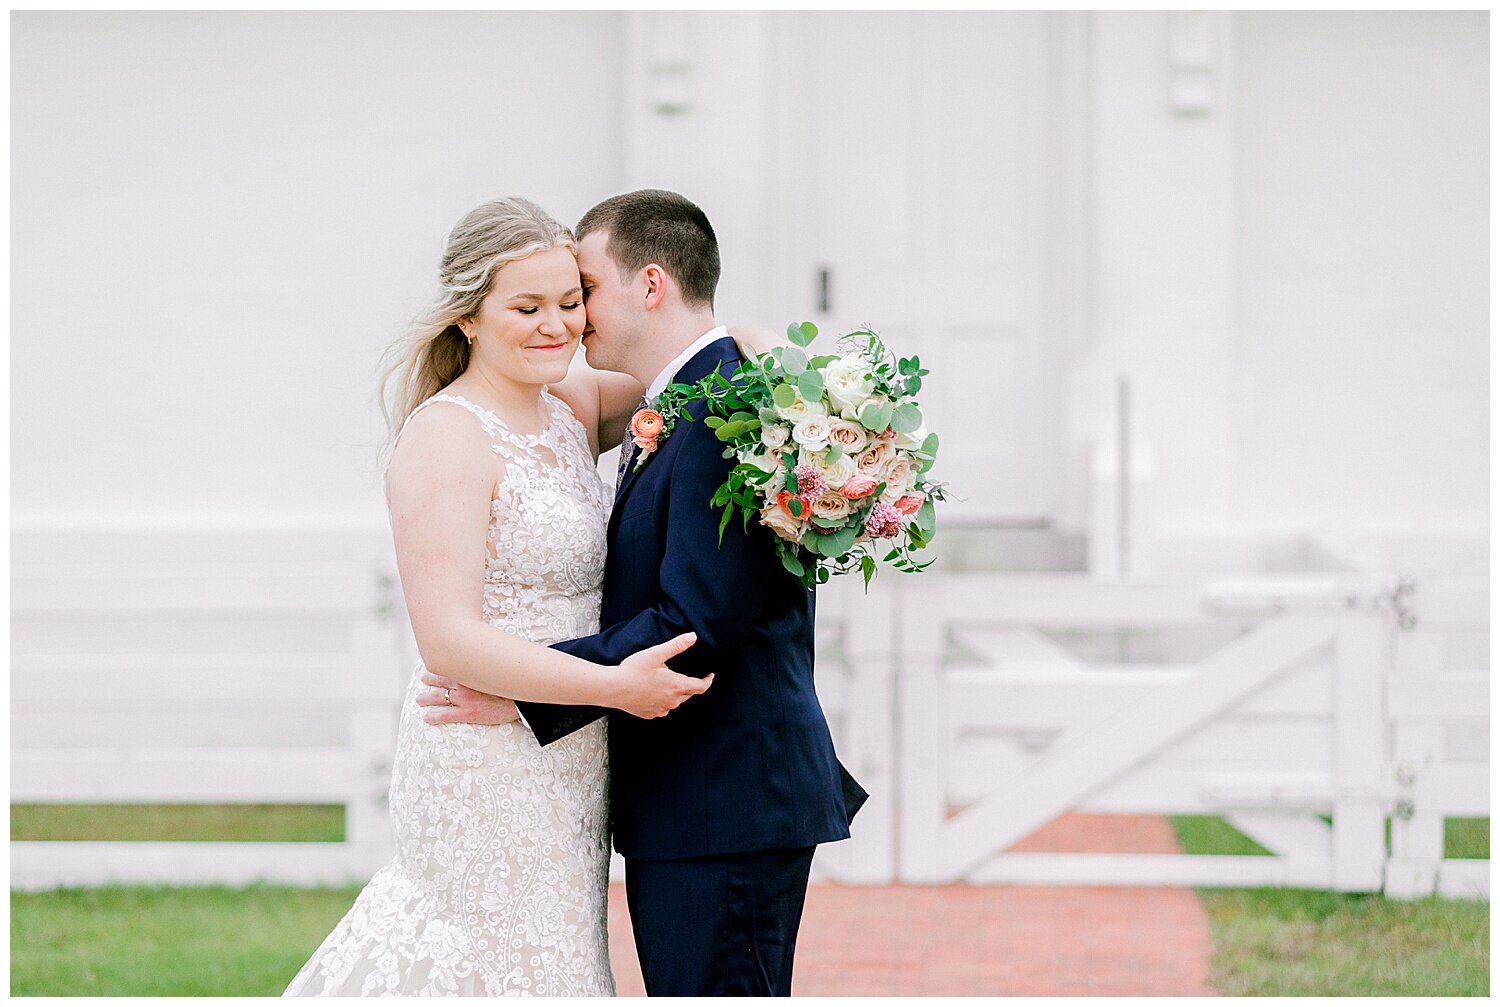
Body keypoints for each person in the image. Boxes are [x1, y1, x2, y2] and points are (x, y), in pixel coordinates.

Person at [421, 189, 866, 997]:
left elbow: (695, 625)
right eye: (538, 301)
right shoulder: (683, 399)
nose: (573, 317)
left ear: (650, 285)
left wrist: (528, 695)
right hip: (683, 798)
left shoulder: (727, 407)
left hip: (722, 795)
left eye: (580, 291)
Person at [283, 196, 715, 997]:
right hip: (483, 753)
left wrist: (829, 420)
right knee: (485, 955)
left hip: (569, 755)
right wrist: (613, 687)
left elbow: (706, 361)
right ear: (468, 318)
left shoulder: (571, 411)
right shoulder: (446, 435)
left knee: (556, 955)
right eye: (526, 307)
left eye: (570, 301)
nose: (557, 326)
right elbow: (447, 639)